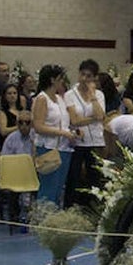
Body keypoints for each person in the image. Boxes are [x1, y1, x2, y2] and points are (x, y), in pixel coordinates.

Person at [31, 65, 77, 205]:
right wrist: (62, 133)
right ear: (52, 80)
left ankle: (54, 220)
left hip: (64, 147)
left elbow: (65, 122)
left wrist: (72, 132)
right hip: (48, 147)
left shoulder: (60, 99)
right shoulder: (42, 99)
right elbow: (38, 126)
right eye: (60, 78)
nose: (62, 81)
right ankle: (42, 221)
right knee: (48, 188)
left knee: (58, 189)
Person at [64, 59, 107, 208]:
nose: (84, 79)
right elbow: (74, 120)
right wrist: (93, 119)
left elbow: (101, 116)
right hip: (78, 141)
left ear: (94, 78)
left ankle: (93, 208)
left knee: (94, 178)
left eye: (88, 76)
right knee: (74, 176)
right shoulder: (70, 94)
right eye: (82, 74)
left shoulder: (99, 95)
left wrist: (92, 95)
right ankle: (71, 207)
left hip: (96, 141)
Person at [0, 110, 36, 224]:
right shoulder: (11, 138)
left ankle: (35, 214)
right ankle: (14, 217)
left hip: (34, 173)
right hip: (15, 174)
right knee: (12, 187)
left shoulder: (38, 138)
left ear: (32, 123)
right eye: (20, 122)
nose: (24, 125)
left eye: (27, 122)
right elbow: (5, 159)